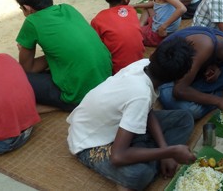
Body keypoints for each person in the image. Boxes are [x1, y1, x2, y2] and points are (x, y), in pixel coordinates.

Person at [67, 38, 197, 190]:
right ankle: (142, 153)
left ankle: (142, 150)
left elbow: (147, 109)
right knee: (139, 174)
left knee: (185, 119)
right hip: (89, 143)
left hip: (118, 127)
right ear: (178, 79)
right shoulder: (140, 94)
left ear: (152, 55)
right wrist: (170, 151)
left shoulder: (143, 65)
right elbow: (118, 157)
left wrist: (164, 150)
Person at [15, 0, 112, 111]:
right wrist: (55, 55)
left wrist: (23, 50)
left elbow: (27, 68)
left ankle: (55, 106)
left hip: (79, 97)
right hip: (106, 82)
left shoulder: (32, 22)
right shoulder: (68, 8)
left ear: (27, 8)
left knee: (18, 76)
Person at [91, 0, 145, 74]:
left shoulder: (98, 19)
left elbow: (96, 47)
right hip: (139, 65)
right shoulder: (131, 11)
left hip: (117, 72)